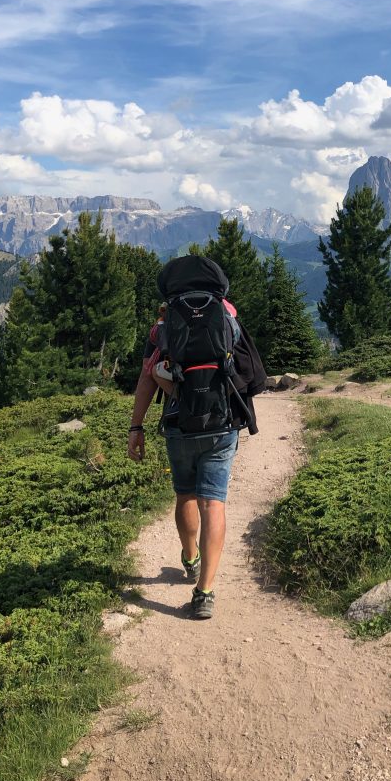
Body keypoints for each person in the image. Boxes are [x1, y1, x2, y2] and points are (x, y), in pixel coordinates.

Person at [128, 261, 264, 620]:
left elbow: (145, 381)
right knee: (213, 504)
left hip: (179, 424)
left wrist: (136, 427)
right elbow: (249, 372)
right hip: (221, 424)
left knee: (185, 494)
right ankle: (204, 591)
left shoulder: (162, 328)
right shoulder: (226, 316)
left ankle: (190, 557)